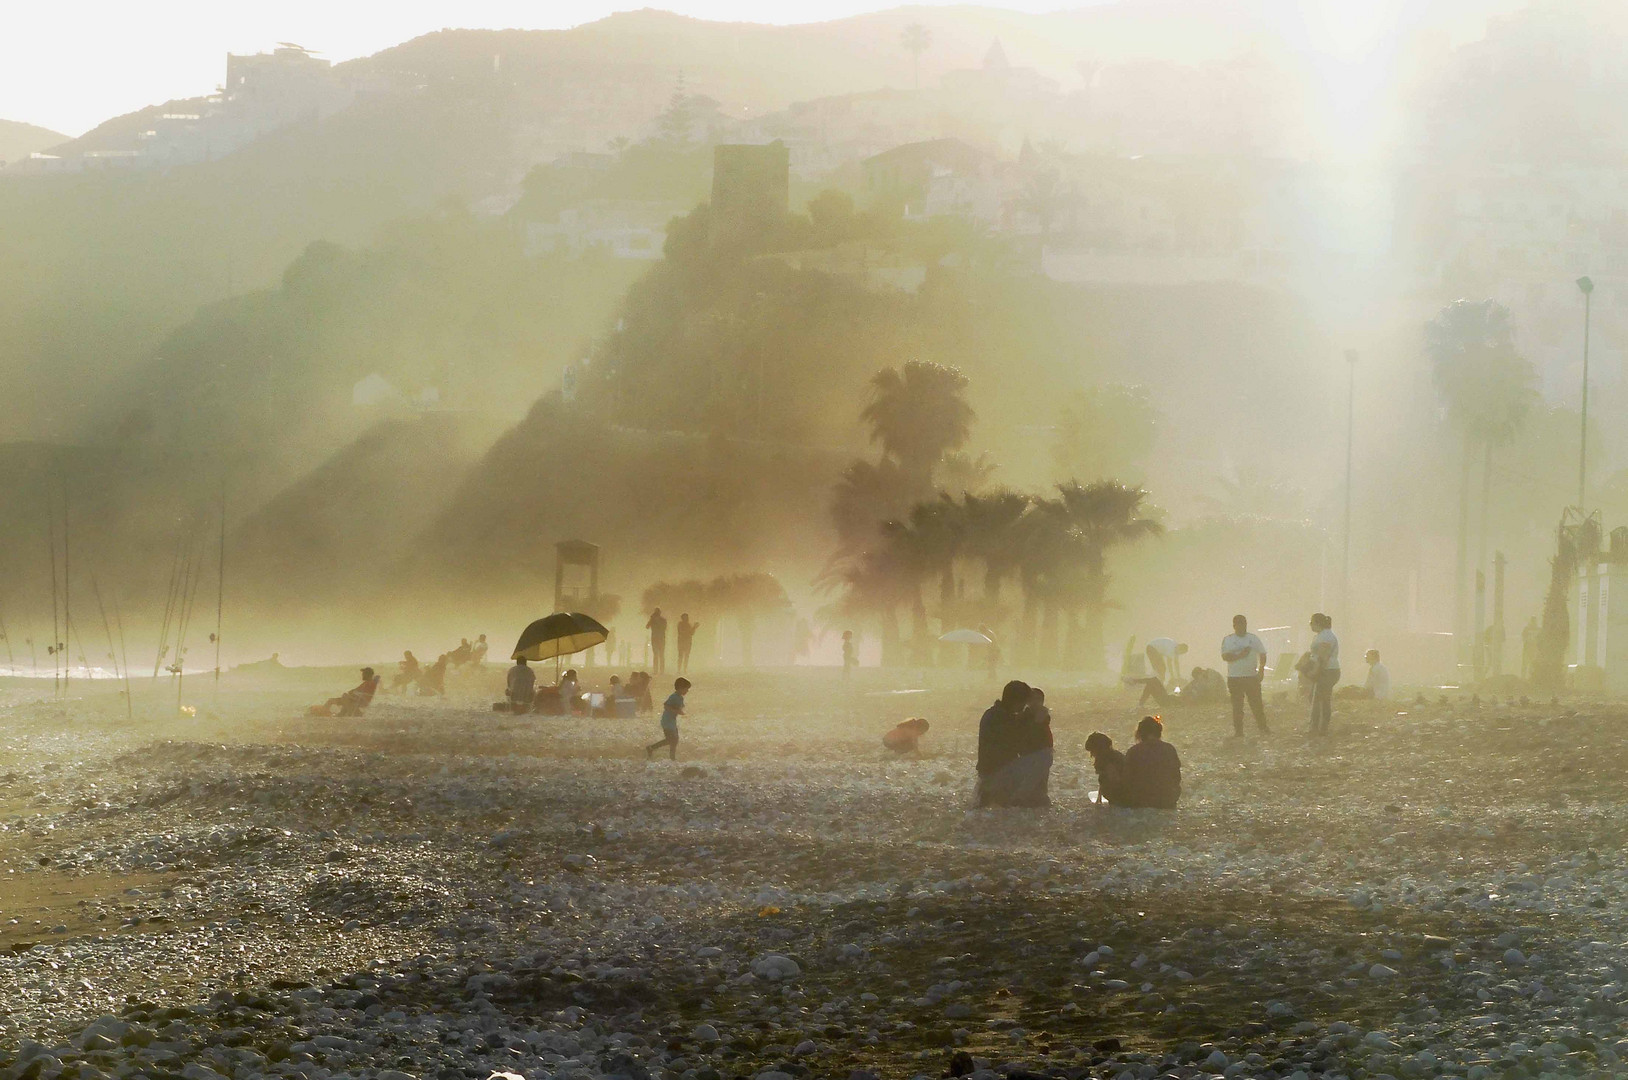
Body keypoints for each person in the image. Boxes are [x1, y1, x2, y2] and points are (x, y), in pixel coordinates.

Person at [974, 680, 1053, 808]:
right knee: (1045, 756)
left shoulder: (997, 714)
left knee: (1042, 755)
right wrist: (1035, 722)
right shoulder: (1000, 717)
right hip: (995, 776)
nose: (1024, 707)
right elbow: (1019, 743)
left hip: (996, 773)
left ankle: (1034, 797)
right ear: (1016, 701)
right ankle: (1019, 799)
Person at [1221, 614, 1270, 736]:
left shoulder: (1253, 639)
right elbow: (1225, 656)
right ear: (1234, 626)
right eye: (1240, 625)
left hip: (1251, 676)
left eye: (1244, 624)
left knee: (1257, 704)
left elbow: (1262, 654)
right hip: (1234, 677)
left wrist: (1261, 670)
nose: (1242, 627)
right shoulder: (1228, 640)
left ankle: (1263, 727)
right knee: (1237, 706)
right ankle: (1239, 731)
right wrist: (1240, 656)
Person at [1121, 715, 1181, 809]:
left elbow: (1127, 780)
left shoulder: (1134, 751)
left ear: (1140, 733)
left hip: (1142, 802)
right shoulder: (1169, 749)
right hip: (1167, 800)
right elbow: (1176, 777)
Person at [1307, 612, 1340, 735]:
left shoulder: (1326, 636)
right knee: (1317, 698)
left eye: (1311, 622)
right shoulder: (1320, 635)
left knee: (1321, 699)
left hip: (1327, 670)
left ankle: (1319, 727)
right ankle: (1317, 726)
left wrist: (1316, 670)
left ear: (1318, 623)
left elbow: (1323, 656)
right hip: (1324, 670)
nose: (1310, 625)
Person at [309, 667, 381, 717]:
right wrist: (353, 694)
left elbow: (362, 695)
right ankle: (331, 712)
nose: (362, 675)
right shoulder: (367, 683)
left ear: (367, 674)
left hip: (356, 702)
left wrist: (353, 695)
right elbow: (354, 691)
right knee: (331, 700)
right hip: (354, 700)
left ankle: (341, 713)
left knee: (344, 696)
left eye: (364, 673)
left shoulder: (370, 683)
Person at [646, 677, 689, 760]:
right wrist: (676, 711)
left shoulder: (680, 697)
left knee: (675, 740)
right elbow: (666, 706)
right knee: (671, 740)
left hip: (672, 721)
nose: (687, 691)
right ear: (680, 688)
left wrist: (682, 713)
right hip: (667, 721)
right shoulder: (674, 696)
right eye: (686, 689)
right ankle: (651, 748)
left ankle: (672, 757)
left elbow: (679, 708)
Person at [1084, 732, 1128, 806]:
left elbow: (1115, 780)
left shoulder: (1110, 761)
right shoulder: (1113, 756)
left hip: (1121, 798)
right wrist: (1099, 797)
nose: (1091, 755)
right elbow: (1103, 779)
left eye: (1092, 751)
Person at [646, 609, 668, 675]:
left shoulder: (663, 620)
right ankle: (656, 670)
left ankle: (661, 670)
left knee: (661, 655)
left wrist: (654, 620)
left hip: (660, 639)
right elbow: (647, 626)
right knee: (656, 655)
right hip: (655, 639)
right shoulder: (652, 620)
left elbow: (664, 628)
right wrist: (651, 620)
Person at [1521, 616, 1539, 681]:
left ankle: (1531, 677)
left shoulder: (1538, 629)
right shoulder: (1526, 629)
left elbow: (1540, 639)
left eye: (1534, 621)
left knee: (1533, 663)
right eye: (1532, 621)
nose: (1533, 622)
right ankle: (1523, 677)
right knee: (1525, 663)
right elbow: (1523, 638)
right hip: (1527, 648)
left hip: (1534, 649)